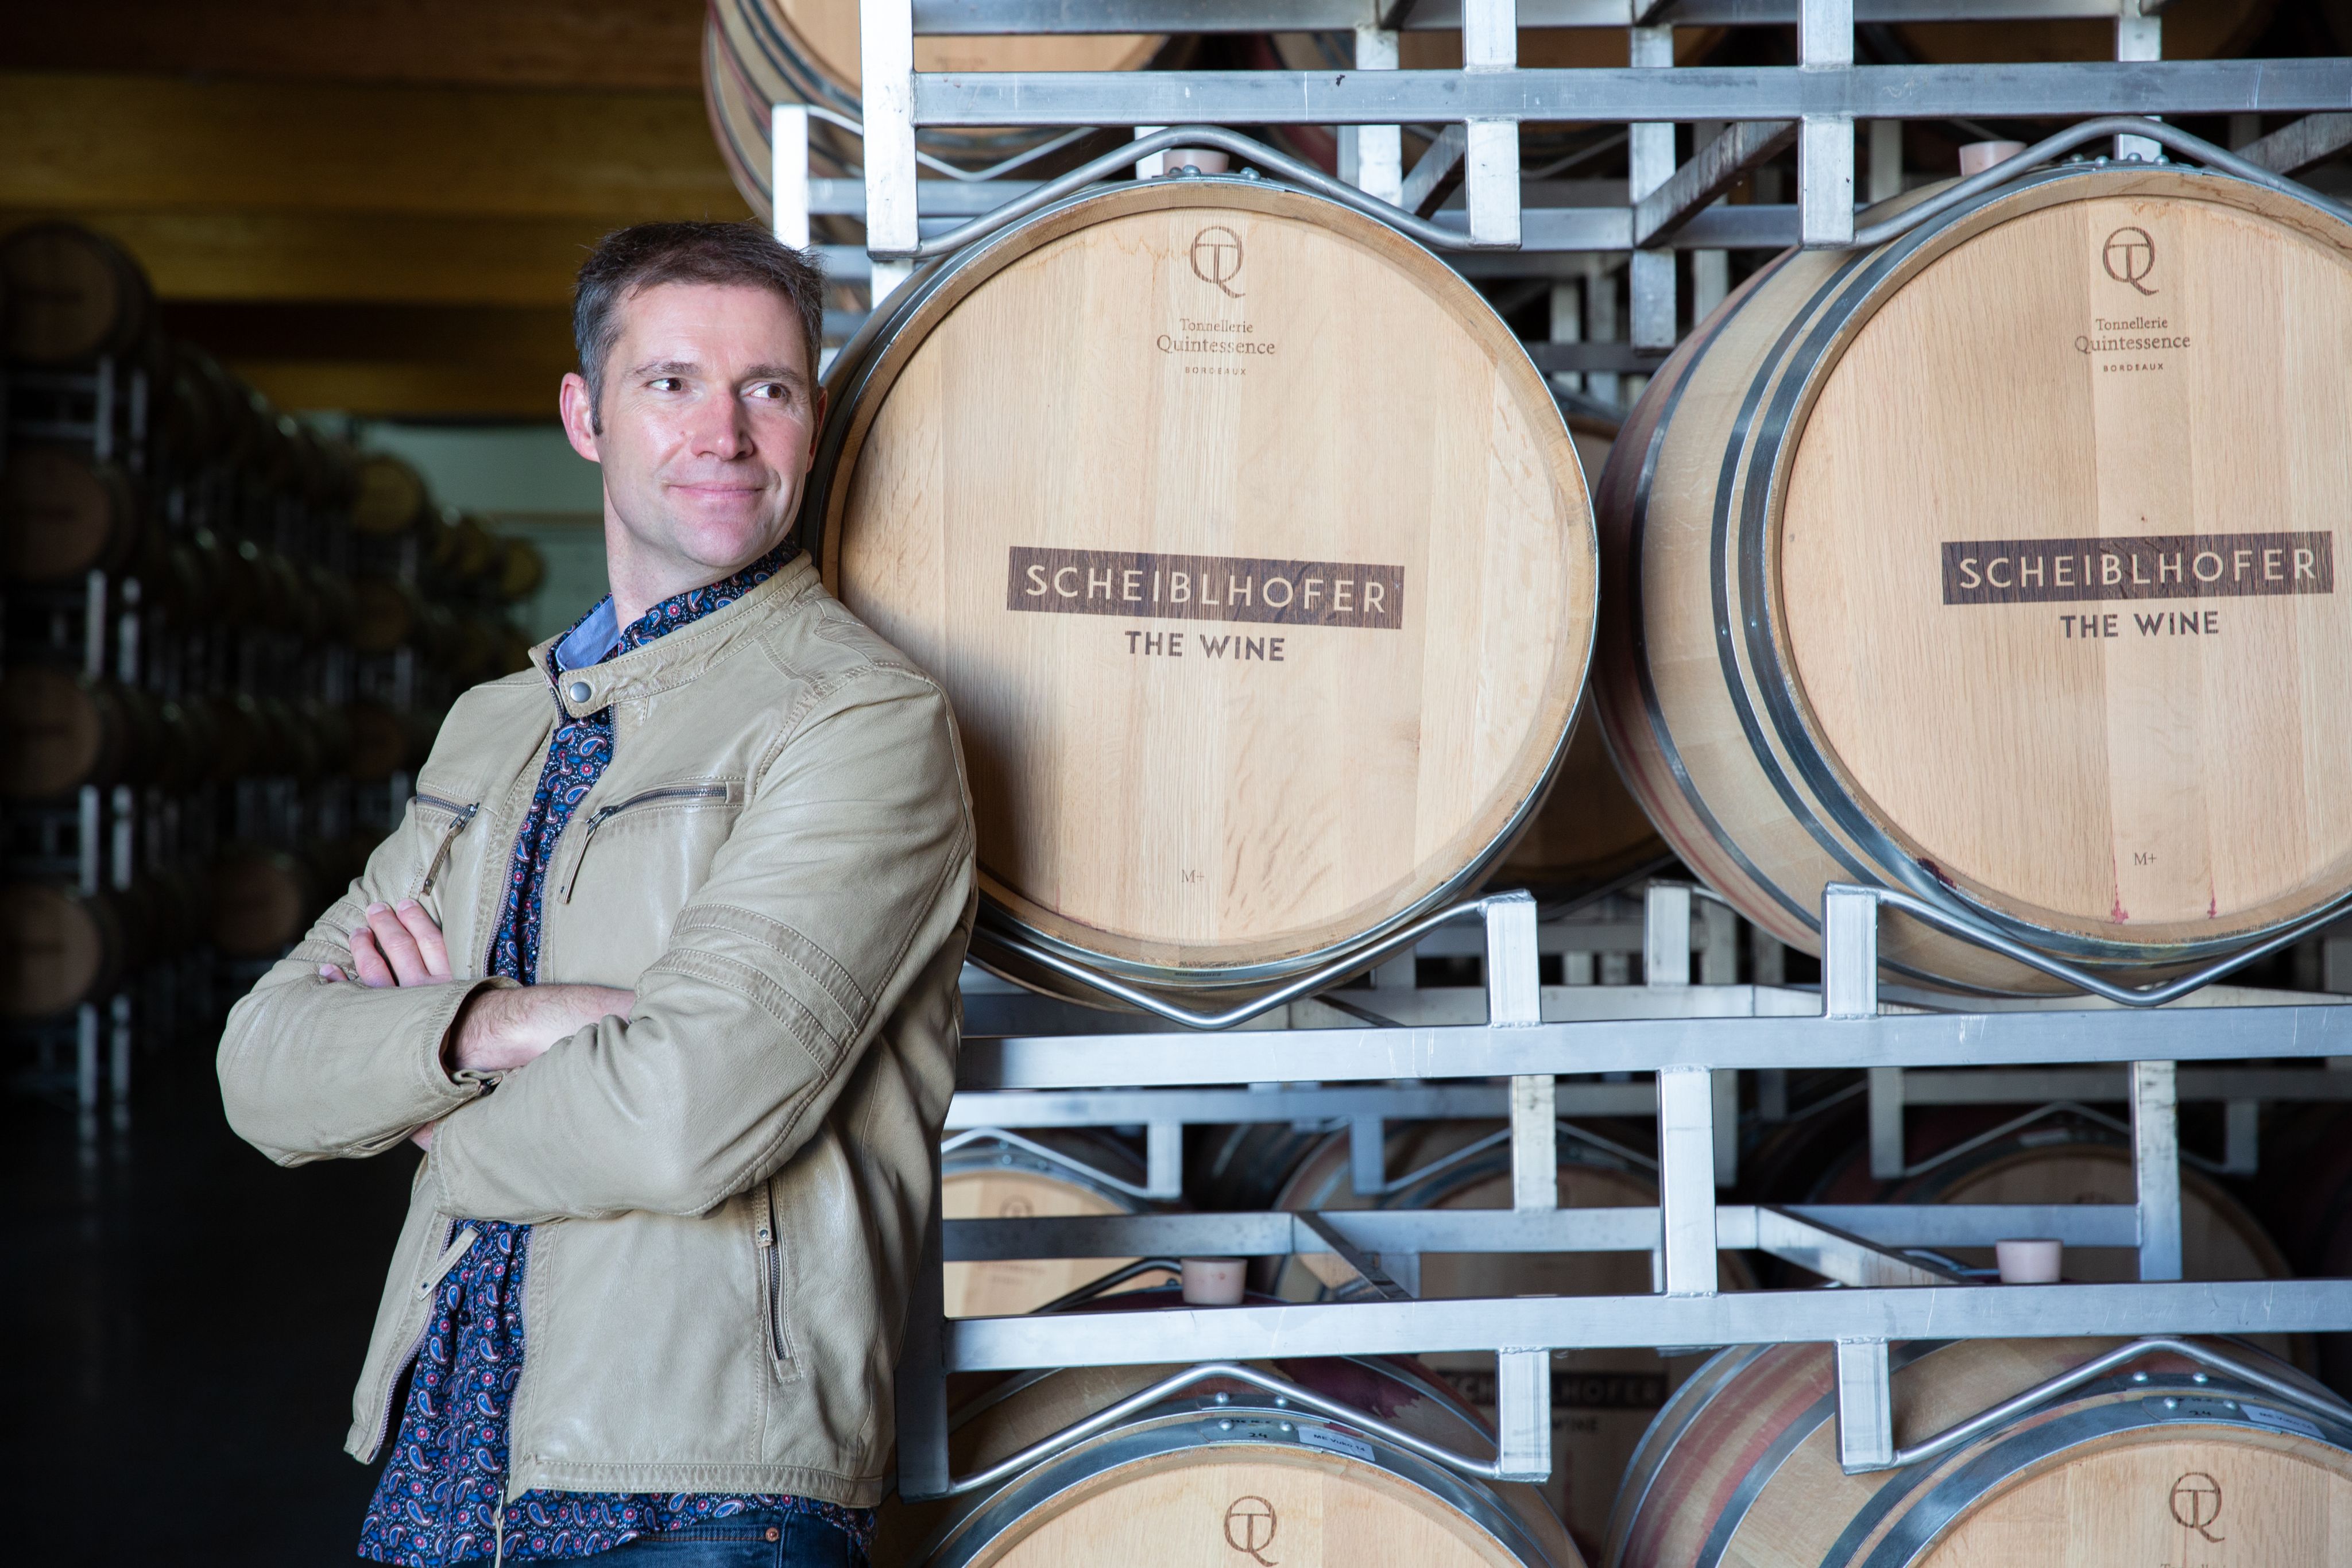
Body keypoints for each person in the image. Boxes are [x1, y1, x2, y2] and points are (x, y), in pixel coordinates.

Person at [218, 221, 976, 1567]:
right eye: (671, 382)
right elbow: (261, 1065)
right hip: (449, 1472)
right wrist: (499, 1024)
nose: (724, 434)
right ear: (586, 415)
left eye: (769, 388)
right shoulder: (494, 725)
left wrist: (424, 1107)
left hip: (707, 1493)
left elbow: (683, 1116)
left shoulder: (858, 718)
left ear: (810, 424)